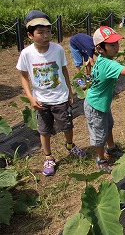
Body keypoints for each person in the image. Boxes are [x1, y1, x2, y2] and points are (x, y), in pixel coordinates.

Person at [16, 10, 86, 176]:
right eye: (40, 32)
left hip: (60, 98)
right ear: (30, 35)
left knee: (67, 126)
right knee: (44, 131)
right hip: (41, 101)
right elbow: (23, 76)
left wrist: (70, 90)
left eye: (48, 31)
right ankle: (48, 157)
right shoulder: (26, 54)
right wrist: (30, 97)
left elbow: (64, 70)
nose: (46, 35)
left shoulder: (58, 50)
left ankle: (70, 145)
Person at [84, 26, 125, 172]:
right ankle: (100, 159)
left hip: (101, 103)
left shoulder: (102, 59)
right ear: (100, 48)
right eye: (112, 44)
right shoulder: (109, 64)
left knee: (108, 125)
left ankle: (111, 148)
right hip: (95, 105)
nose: (116, 47)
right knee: (99, 134)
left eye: (117, 43)